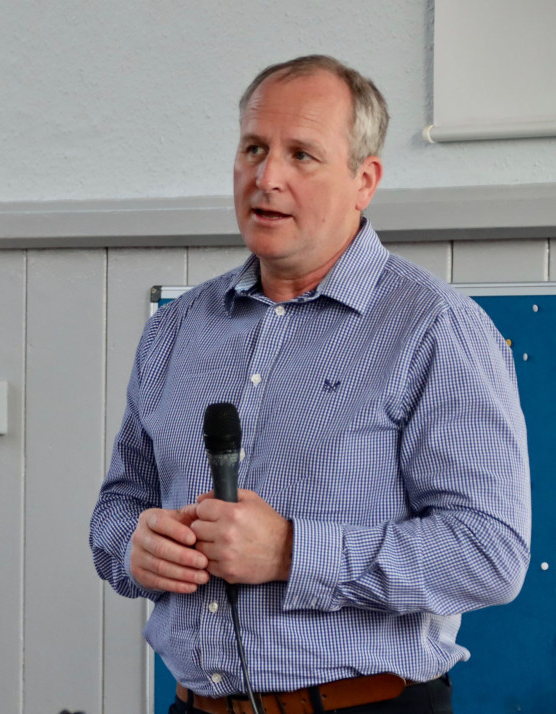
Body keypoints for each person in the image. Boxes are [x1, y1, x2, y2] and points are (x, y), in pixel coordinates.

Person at [90, 55, 530, 714]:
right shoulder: (176, 329)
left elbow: (488, 554)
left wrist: (294, 550)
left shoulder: (435, 329)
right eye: (254, 149)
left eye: (302, 155)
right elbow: (116, 511)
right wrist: (134, 548)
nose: (267, 178)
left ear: (364, 180)